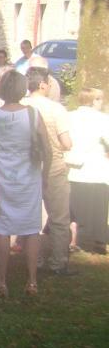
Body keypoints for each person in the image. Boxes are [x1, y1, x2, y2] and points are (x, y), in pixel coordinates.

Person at [0, 71, 50, 297]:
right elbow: (46, 147)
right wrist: (46, 174)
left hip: (3, 173)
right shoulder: (32, 114)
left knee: (3, 230)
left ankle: (1, 281)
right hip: (29, 175)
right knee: (31, 228)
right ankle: (32, 281)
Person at [23, 66, 75, 275]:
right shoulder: (55, 109)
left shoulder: (20, 106)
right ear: (43, 85)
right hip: (52, 167)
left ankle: (35, 259)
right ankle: (58, 262)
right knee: (59, 217)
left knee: (30, 216)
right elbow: (66, 142)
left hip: (27, 168)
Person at [66, 88, 109, 255]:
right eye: (101, 100)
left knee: (74, 208)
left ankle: (73, 240)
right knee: (99, 206)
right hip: (95, 169)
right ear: (94, 100)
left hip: (73, 168)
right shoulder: (102, 119)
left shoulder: (69, 116)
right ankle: (99, 241)